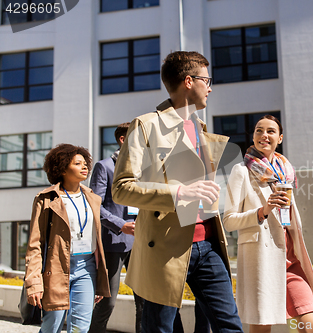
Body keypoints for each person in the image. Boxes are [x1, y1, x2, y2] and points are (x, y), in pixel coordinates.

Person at [112, 51, 243, 333]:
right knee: (161, 329)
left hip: (208, 243)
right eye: (207, 80)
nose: (210, 87)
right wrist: (179, 193)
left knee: (230, 326)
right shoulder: (146, 125)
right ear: (188, 81)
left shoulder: (201, 128)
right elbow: (122, 189)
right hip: (165, 246)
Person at [223, 115, 313, 333]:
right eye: (259, 130)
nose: (264, 135)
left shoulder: (285, 173)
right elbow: (229, 221)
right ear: (253, 136)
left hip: (290, 260)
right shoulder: (241, 171)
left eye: (270, 131)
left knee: (311, 325)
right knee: (262, 329)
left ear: (279, 138)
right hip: (262, 259)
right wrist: (263, 211)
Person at [24, 144, 110, 333]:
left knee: (80, 327)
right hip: (55, 268)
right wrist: (33, 284)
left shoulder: (93, 198)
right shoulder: (46, 199)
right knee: (51, 326)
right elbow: (35, 245)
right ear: (62, 169)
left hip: (86, 267)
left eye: (85, 163)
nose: (84, 166)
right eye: (77, 163)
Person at [89, 122, 145, 333]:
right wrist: (121, 225)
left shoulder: (143, 170)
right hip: (114, 241)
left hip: (141, 242)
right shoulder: (105, 166)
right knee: (107, 301)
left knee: (144, 301)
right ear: (123, 139)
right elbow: (96, 205)